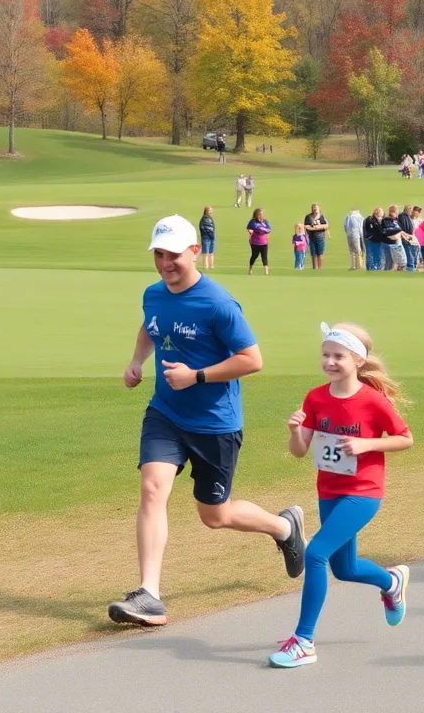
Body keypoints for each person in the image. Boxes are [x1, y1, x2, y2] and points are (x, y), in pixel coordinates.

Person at [107, 215, 306, 628]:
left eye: (174, 255)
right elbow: (150, 325)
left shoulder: (218, 302)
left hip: (215, 424)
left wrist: (196, 376)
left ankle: (284, 528)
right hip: (166, 413)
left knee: (214, 515)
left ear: (194, 251)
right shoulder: (153, 294)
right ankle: (149, 594)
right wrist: (135, 362)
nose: (166, 263)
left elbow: (253, 360)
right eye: (159, 255)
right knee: (151, 489)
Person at [269, 323, 413, 668]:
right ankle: (392, 581)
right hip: (328, 490)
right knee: (345, 568)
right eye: (325, 355)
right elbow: (300, 451)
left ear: (358, 361)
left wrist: (368, 443)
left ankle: (304, 640)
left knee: (316, 553)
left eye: (338, 356)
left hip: (363, 492)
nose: (330, 362)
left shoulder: (373, 401)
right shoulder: (316, 397)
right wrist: (293, 431)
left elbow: (405, 438)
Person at [380, 206, 406, 272]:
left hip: (387, 242)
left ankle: (388, 272)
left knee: (389, 261)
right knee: (397, 261)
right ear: (395, 211)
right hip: (392, 243)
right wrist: (398, 233)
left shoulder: (388, 220)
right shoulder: (390, 220)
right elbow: (387, 231)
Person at [247, 208, 271, 275]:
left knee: (264, 256)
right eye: (259, 214)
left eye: (261, 214)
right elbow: (249, 228)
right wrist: (251, 231)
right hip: (255, 242)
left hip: (264, 242)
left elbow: (269, 229)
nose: (260, 216)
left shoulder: (265, 222)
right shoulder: (253, 222)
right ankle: (250, 269)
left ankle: (266, 271)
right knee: (254, 255)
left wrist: (263, 229)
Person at [304, 204, 328, 270]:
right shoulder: (308, 217)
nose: (315, 210)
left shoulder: (322, 217)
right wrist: (316, 228)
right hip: (311, 238)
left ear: (319, 209)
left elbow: (326, 225)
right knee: (313, 254)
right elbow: (306, 226)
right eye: (314, 209)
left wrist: (316, 227)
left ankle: (320, 268)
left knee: (320, 254)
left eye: (316, 209)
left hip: (320, 238)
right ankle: (314, 268)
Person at [364, 208, 384, 272]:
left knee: (378, 254)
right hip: (370, 240)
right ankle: (370, 268)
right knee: (370, 254)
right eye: (380, 215)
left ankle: (378, 267)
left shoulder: (381, 221)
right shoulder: (370, 220)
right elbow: (372, 229)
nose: (381, 217)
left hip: (378, 241)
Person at [398, 206, 417, 272]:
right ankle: (410, 267)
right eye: (410, 211)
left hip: (408, 237)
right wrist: (409, 235)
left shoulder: (406, 217)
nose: (411, 212)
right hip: (406, 238)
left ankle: (410, 267)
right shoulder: (403, 217)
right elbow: (406, 227)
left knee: (410, 252)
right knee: (408, 252)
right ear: (407, 210)